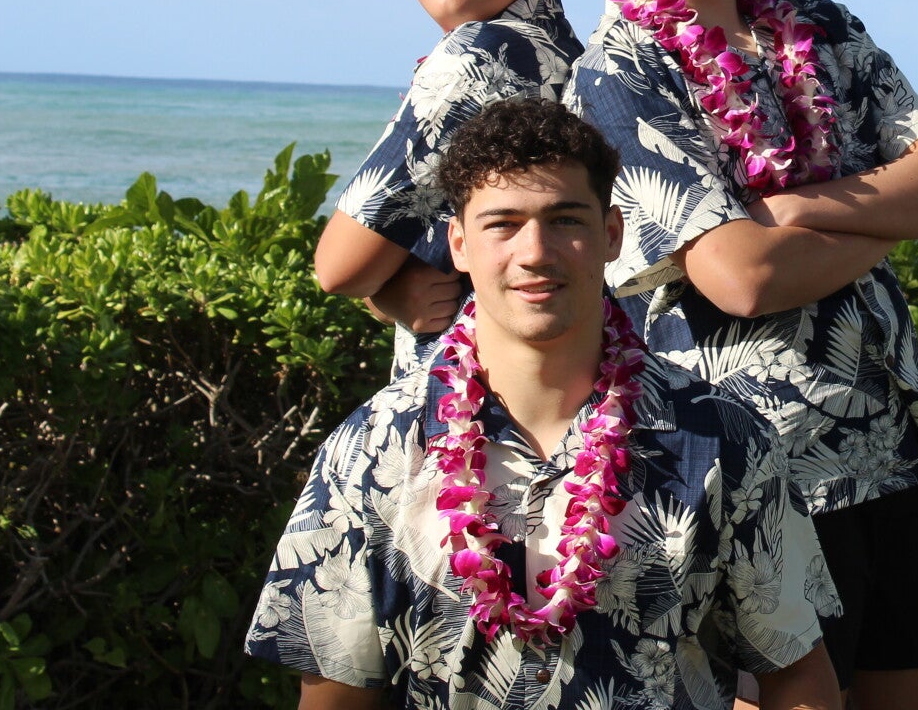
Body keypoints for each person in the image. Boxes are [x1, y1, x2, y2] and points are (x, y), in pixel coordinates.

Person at [563, 0, 918, 709]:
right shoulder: (619, 76)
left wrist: (790, 208)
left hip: (898, 446)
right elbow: (742, 277)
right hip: (756, 479)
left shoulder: (819, 23)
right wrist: (881, 219)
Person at [246, 98, 842, 709]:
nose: (535, 252)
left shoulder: (720, 438)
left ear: (611, 235)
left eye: (565, 220)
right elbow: (336, 694)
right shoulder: (373, 448)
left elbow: (797, 675)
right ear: (459, 244)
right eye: (502, 224)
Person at [317, 0, 584, 375]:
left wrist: (380, 293)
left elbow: (339, 267)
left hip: (474, 394)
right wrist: (389, 290)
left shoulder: (478, 57)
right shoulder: (561, 50)